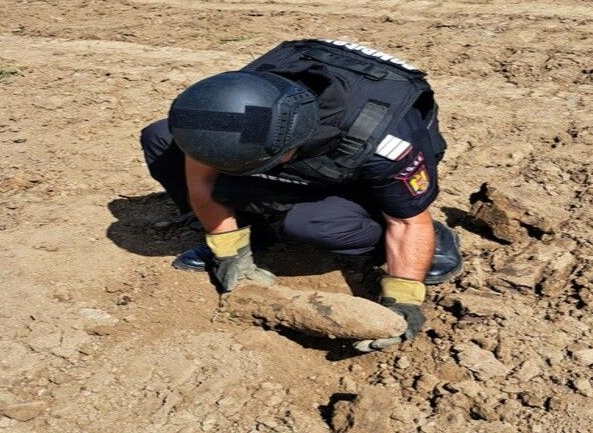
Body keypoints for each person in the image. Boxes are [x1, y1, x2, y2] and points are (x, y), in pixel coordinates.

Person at [139, 39, 461, 345]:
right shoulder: (244, 98)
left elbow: (407, 223)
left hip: (358, 164)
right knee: (161, 138)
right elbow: (203, 177)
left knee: (315, 224)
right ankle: (253, 230)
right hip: (293, 125)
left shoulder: (385, 143)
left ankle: (435, 240)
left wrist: (404, 299)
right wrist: (229, 252)